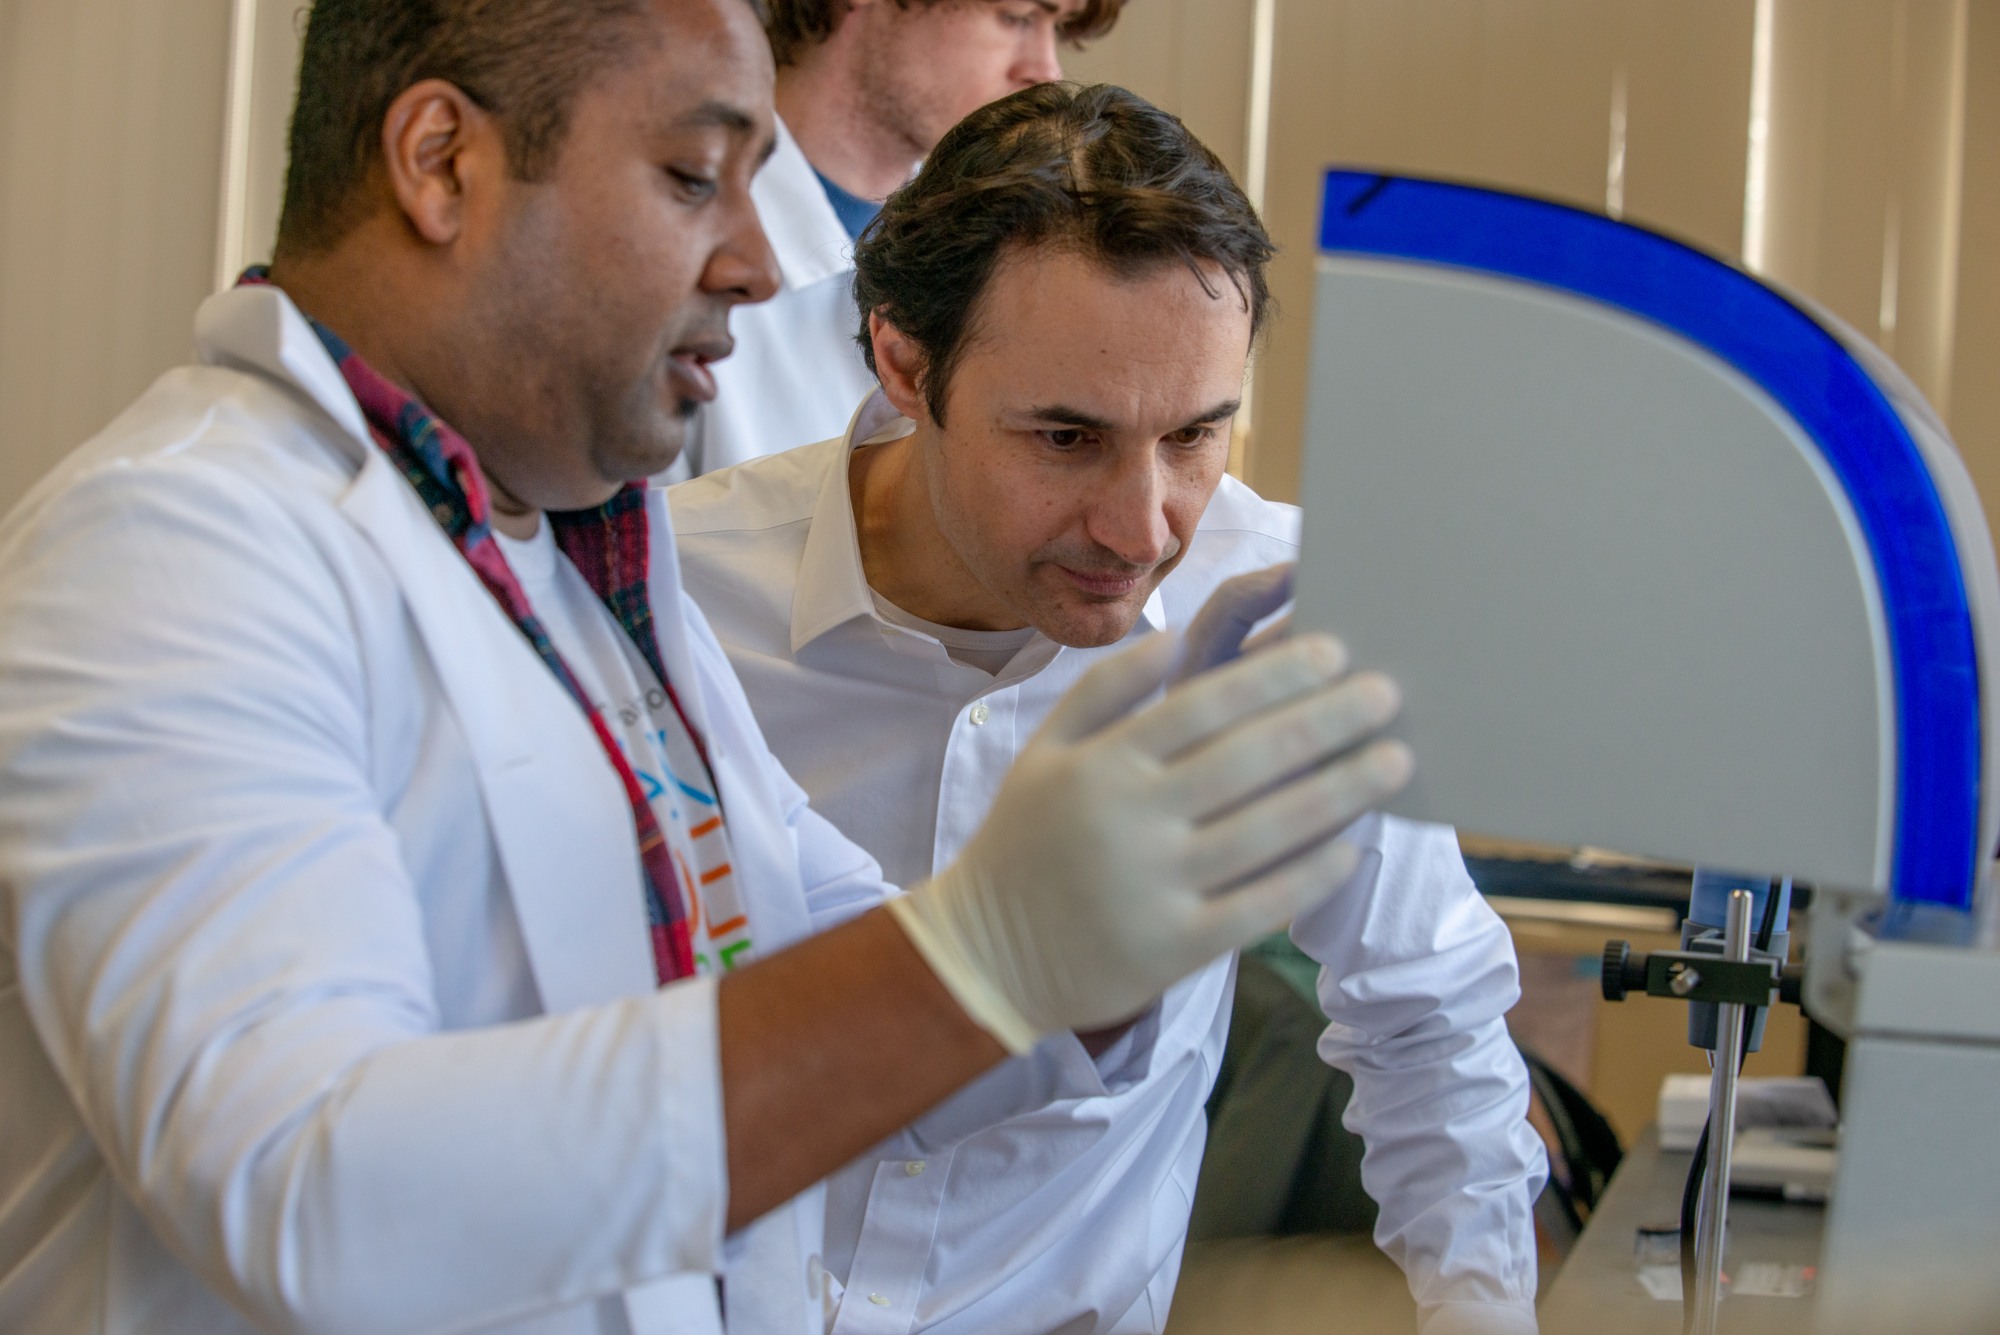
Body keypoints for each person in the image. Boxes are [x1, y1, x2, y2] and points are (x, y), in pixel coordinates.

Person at [0, 6, 1416, 1333]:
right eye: (694, 177)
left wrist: (1109, 935)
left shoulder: (572, 557)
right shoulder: (181, 541)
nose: (757, 258)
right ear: (443, 163)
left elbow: (797, 964)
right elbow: (304, 1186)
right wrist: (984, 951)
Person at [670, 82, 1549, 1335]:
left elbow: (1428, 1027)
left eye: (1196, 435)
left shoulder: (1274, 613)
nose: (1143, 528)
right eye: (1067, 439)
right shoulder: (685, 599)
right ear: (904, 363)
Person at [664, 0, 1124, 480]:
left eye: (1060, 28)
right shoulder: (674, 250)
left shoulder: (1012, 247)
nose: (1047, 70)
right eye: (1016, 16)